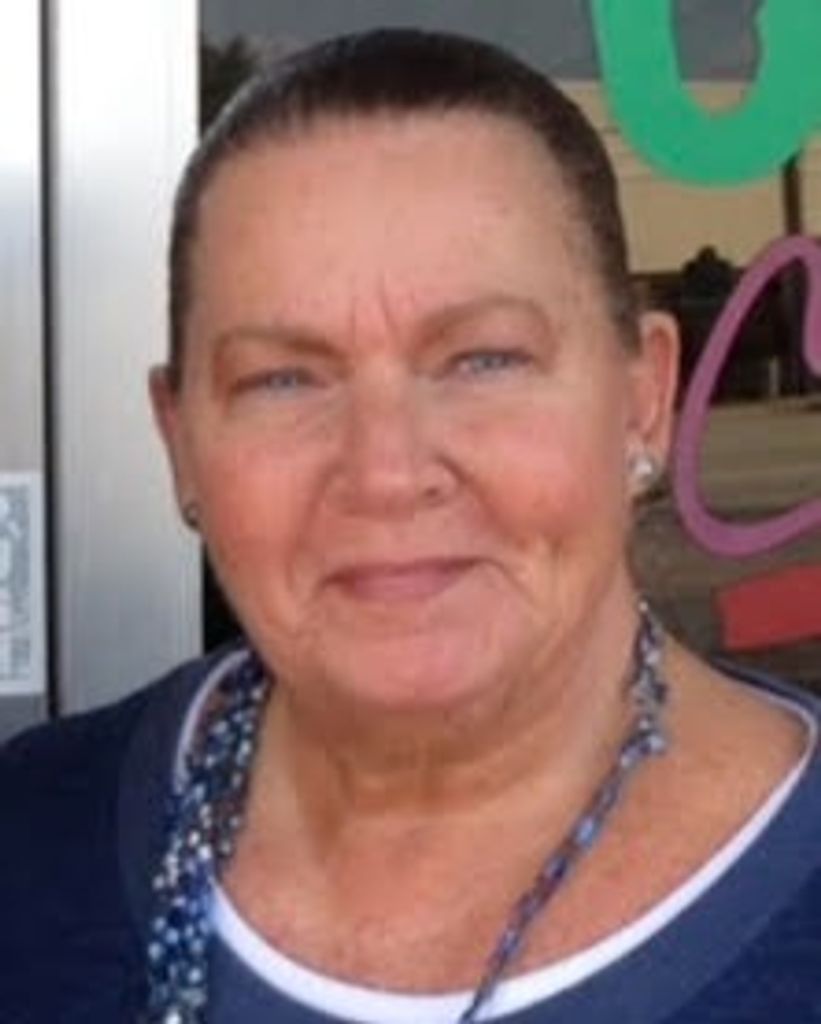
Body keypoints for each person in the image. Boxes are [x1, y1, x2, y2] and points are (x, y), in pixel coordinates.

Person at [2, 28, 820, 1024]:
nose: (385, 473)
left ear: (643, 401)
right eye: (283, 378)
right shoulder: (28, 844)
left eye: (483, 360)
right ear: (180, 443)